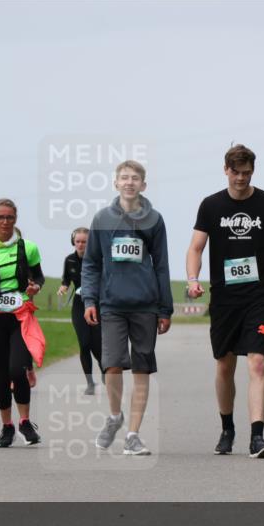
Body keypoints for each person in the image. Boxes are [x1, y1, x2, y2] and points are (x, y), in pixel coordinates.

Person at [186, 144, 264, 458]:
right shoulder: (211, 206)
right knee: (225, 365)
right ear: (226, 170)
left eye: (247, 173)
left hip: (260, 296)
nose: (242, 179)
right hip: (224, 298)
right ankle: (227, 428)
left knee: (258, 362)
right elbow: (195, 248)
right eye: (236, 173)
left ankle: (257, 437)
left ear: (253, 171)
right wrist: (193, 280)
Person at [82, 160, 172, 456]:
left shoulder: (155, 221)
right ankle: (114, 416)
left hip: (145, 305)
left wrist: (165, 309)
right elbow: (92, 263)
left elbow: (161, 265)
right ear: (115, 183)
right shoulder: (101, 219)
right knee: (112, 364)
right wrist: (89, 300)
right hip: (111, 305)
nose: (129, 182)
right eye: (124, 178)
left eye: (135, 178)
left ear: (143, 185)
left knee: (142, 368)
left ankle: (133, 434)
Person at [0, 198, 46, 448]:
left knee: (17, 370)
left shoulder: (29, 247)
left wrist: (35, 286)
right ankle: (7, 427)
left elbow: (39, 276)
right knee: (1, 376)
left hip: (20, 317)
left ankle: (25, 422)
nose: (5, 222)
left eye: (9, 218)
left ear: (16, 220)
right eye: (0, 217)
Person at [57, 227, 103, 395]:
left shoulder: (99, 258)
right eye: (78, 241)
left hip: (97, 304)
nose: (81, 245)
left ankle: (105, 370)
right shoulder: (69, 260)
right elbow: (66, 280)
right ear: (73, 242)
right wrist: (63, 287)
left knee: (97, 345)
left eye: (84, 242)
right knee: (84, 343)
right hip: (79, 303)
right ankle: (90, 383)